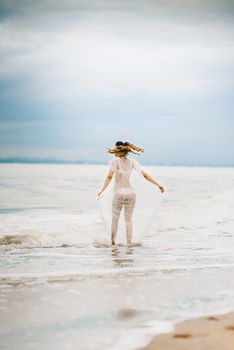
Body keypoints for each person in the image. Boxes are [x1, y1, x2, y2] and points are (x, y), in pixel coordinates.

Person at [97, 141, 165, 245]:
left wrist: (102, 190)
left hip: (119, 193)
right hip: (131, 194)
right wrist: (158, 184)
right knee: (128, 220)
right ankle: (129, 244)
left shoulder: (115, 162)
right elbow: (144, 175)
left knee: (115, 220)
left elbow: (109, 177)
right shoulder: (132, 162)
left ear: (118, 150)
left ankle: (113, 243)